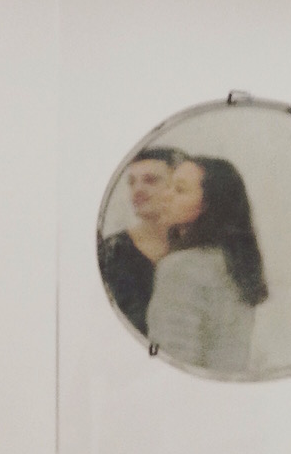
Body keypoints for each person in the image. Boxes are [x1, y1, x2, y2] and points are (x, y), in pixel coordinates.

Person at [145, 157, 269, 374]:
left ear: (208, 205)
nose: (166, 195)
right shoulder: (235, 263)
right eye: (169, 186)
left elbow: (175, 359)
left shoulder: (180, 268)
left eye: (180, 190)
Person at [98, 146, 186, 333]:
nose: (137, 190)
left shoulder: (201, 251)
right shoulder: (111, 251)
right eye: (132, 182)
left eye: (151, 180)